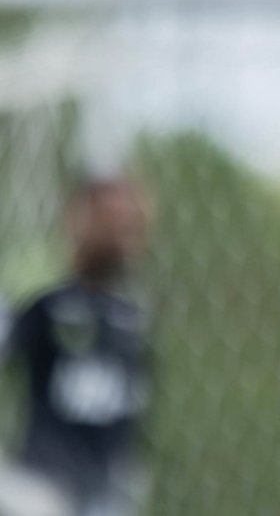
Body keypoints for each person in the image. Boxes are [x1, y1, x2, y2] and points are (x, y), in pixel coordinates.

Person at [1, 177, 152, 516]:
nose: (121, 227)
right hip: (40, 487)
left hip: (102, 492)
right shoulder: (47, 302)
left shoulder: (133, 317)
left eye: (129, 220)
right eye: (110, 216)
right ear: (78, 221)